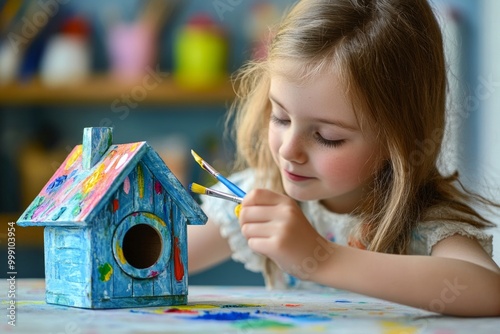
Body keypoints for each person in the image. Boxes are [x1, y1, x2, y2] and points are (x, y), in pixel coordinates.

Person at [188, 0, 500, 316]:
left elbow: (490, 291)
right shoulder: (260, 194)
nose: (288, 150)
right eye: (281, 117)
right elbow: (158, 257)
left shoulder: (423, 220)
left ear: (399, 140)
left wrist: (321, 256)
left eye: (327, 137)